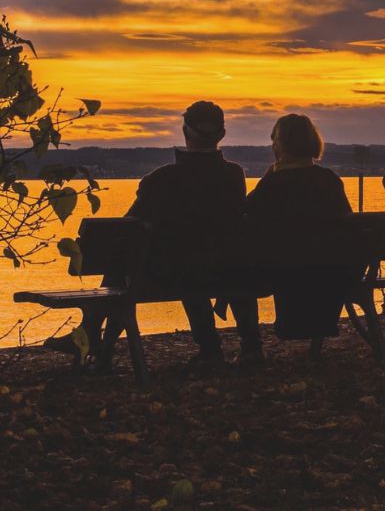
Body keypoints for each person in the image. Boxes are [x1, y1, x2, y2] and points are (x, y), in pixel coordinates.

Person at [45, 101, 263, 367]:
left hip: (175, 274)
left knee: (126, 260)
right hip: (226, 270)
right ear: (222, 134)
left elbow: (125, 228)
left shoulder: (163, 178)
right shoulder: (233, 175)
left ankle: (92, 336)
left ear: (186, 132)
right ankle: (235, 348)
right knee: (180, 260)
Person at [244, 114, 353, 358]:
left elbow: (246, 214)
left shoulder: (274, 184)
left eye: (274, 140)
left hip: (286, 270)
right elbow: (347, 224)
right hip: (333, 271)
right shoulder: (329, 180)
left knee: (237, 270)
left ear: (280, 145)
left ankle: (250, 347)